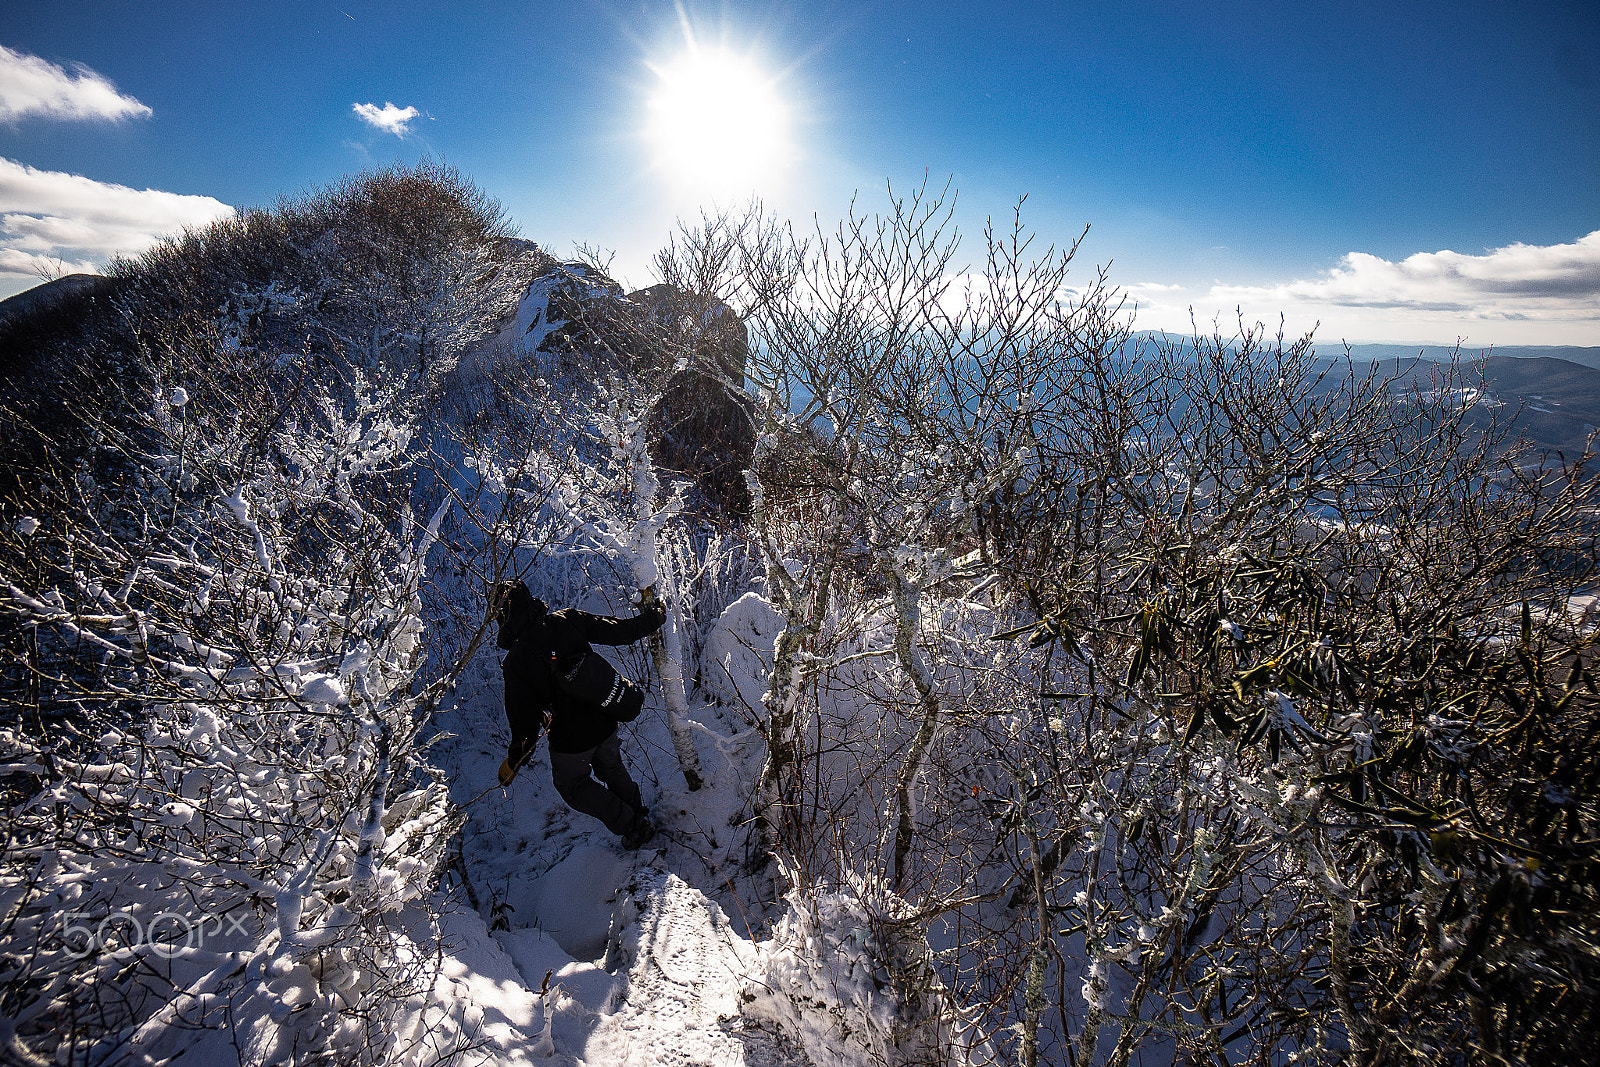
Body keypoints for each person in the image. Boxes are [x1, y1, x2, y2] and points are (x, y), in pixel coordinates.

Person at [491, 579, 666, 849]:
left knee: (571, 785)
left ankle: (632, 825)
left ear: (501, 617)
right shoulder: (566, 620)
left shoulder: (515, 662)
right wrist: (654, 617)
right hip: (604, 715)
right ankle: (637, 815)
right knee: (611, 767)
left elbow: (523, 721)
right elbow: (620, 631)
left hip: (571, 738)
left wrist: (516, 757)